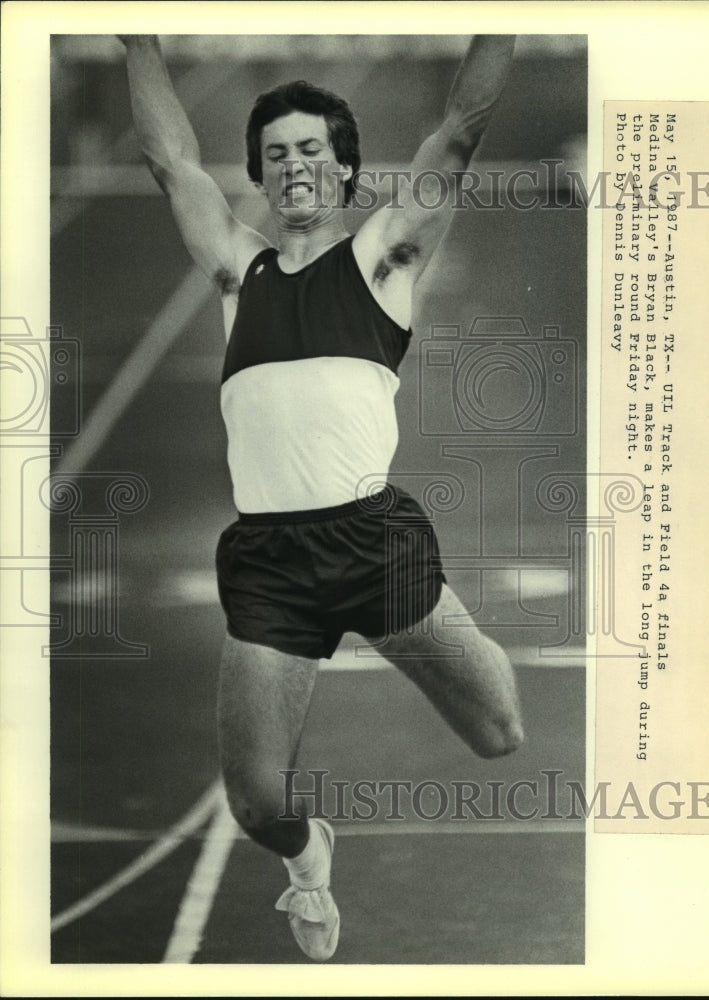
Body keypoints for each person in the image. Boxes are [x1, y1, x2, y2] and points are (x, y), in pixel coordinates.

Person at [120, 34, 524, 961]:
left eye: (311, 149)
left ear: (343, 167)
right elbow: (168, 157)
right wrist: (134, 37)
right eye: (275, 154)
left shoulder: (385, 259)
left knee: (500, 735)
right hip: (272, 561)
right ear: (260, 178)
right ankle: (311, 864)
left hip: (374, 544)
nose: (293, 165)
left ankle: (451, 627)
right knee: (259, 805)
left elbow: (459, 131)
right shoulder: (237, 270)